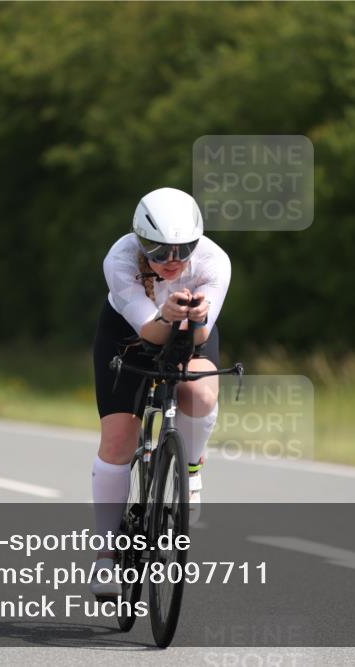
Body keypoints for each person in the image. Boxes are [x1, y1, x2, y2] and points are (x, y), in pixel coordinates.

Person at [90, 187, 231, 597]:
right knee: (118, 440)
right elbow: (149, 331)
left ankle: (191, 467)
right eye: (157, 250)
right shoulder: (119, 259)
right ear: (138, 240)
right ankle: (106, 556)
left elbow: (201, 335)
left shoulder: (213, 261)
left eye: (182, 250)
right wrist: (165, 315)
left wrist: (196, 317)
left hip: (190, 328)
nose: (171, 262)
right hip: (129, 333)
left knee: (201, 394)